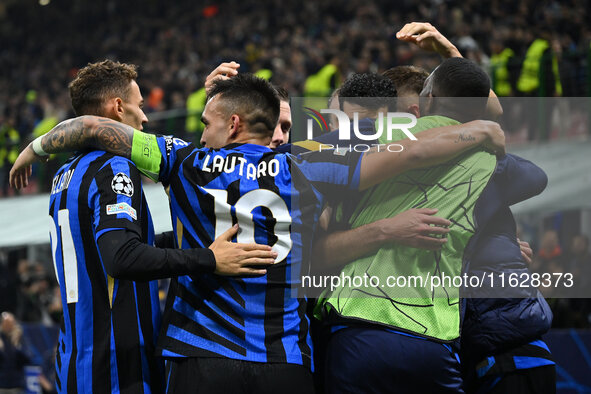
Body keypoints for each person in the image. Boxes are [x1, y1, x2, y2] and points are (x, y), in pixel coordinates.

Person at [10, 73, 505, 394]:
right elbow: (416, 152)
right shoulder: (306, 166)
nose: (200, 131)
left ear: (234, 123)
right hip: (283, 364)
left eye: (206, 122)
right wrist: (481, 130)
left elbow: (96, 127)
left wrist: (36, 147)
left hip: (200, 358)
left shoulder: (184, 161)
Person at [14, 60, 277, 394]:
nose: (145, 117)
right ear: (119, 107)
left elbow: (113, 242)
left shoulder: (66, 174)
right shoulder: (115, 167)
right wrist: (208, 258)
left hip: (73, 358)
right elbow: (122, 256)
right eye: (140, 106)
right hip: (116, 363)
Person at [0, 312, 29, 394]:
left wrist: (16, 345)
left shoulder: (20, 338)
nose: (8, 326)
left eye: (11, 323)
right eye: (6, 323)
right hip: (1, 386)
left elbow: (28, 359)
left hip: (16, 386)